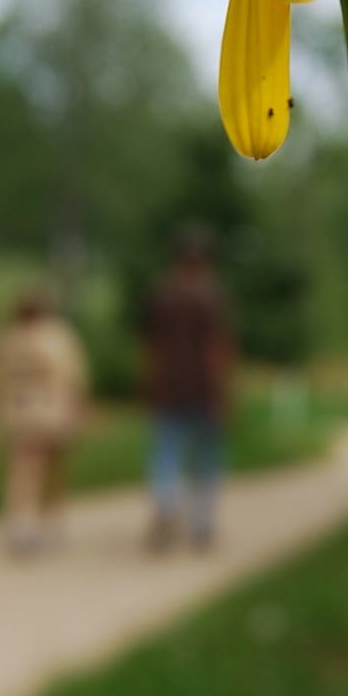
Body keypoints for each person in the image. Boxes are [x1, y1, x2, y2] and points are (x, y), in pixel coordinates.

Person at [141, 229, 234, 550]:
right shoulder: (210, 296)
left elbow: (151, 345)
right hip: (202, 390)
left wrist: (151, 382)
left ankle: (166, 506)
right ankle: (201, 523)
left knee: (166, 454)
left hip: (167, 387)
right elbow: (215, 349)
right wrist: (222, 393)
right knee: (205, 458)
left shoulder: (163, 294)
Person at [0, 288, 89, 554]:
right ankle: (43, 522)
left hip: (22, 414)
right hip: (49, 413)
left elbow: (0, 379)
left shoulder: (9, 338)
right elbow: (73, 376)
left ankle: (26, 523)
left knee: (26, 470)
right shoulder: (58, 337)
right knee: (45, 470)